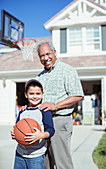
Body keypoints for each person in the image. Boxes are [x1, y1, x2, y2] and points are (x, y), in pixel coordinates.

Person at [36, 41, 84, 169]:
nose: (45, 58)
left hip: (60, 120)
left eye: (48, 54)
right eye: (42, 55)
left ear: (55, 53)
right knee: (45, 162)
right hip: (43, 123)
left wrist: (55, 105)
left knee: (62, 163)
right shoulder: (40, 77)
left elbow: (78, 95)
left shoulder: (67, 70)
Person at [11, 79, 55, 169]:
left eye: (38, 94)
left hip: (36, 155)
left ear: (42, 94)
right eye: (31, 94)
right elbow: (17, 127)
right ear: (26, 95)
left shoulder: (44, 110)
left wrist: (40, 135)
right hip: (19, 154)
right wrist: (14, 133)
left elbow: (51, 130)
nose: (35, 96)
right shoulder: (22, 111)